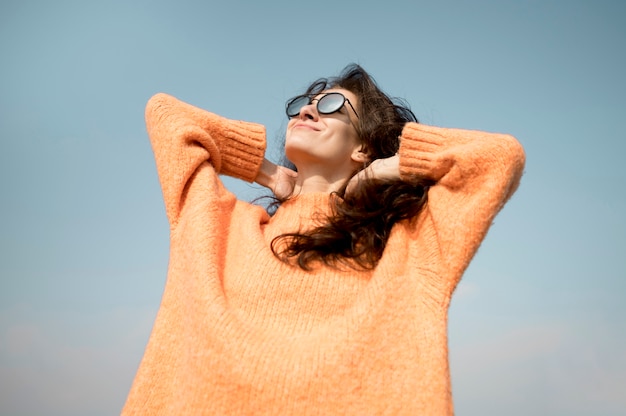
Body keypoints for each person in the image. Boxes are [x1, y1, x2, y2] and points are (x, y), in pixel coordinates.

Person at [122, 64, 525, 415]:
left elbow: (498, 156)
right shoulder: (218, 225)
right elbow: (166, 115)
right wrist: (267, 172)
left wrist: (383, 171)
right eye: (304, 103)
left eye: (332, 105)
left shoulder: (409, 245)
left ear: (364, 146)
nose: (307, 109)